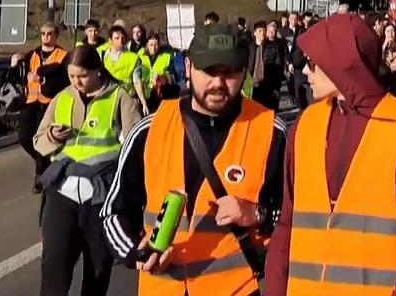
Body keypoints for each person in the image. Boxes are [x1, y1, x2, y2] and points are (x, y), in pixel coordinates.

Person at [101, 22, 288, 295]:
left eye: (230, 73)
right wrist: (136, 253)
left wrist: (258, 214)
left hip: (236, 289)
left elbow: (297, 217)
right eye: (209, 71)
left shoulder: (272, 132)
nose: (218, 83)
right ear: (188, 67)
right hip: (163, 288)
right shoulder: (149, 130)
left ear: (244, 72)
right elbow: (113, 213)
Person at [263, 14, 396, 294]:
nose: (305, 73)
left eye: (311, 63)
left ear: (341, 65)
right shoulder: (305, 124)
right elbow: (287, 223)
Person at [34, 46, 142, 296]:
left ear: (97, 71)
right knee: (54, 264)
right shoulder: (62, 98)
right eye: (71, 76)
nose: (76, 82)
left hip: (101, 198)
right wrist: (52, 135)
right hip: (63, 193)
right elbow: (38, 140)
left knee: (98, 268)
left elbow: (137, 145)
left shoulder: (119, 98)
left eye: (81, 75)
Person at [12, 24, 70, 193]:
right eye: (43, 33)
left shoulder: (62, 55)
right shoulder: (33, 55)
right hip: (31, 101)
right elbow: (19, 78)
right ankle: (45, 161)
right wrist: (14, 64)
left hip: (49, 103)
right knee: (24, 137)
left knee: (41, 139)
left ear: (56, 35)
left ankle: (40, 177)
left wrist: (43, 80)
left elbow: (64, 79)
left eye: (50, 33)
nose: (46, 37)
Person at [101, 25, 150, 116]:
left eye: (122, 38)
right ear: (110, 40)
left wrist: (143, 102)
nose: (121, 40)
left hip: (127, 98)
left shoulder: (133, 58)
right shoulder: (103, 55)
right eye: (117, 38)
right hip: (107, 98)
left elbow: (137, 81)